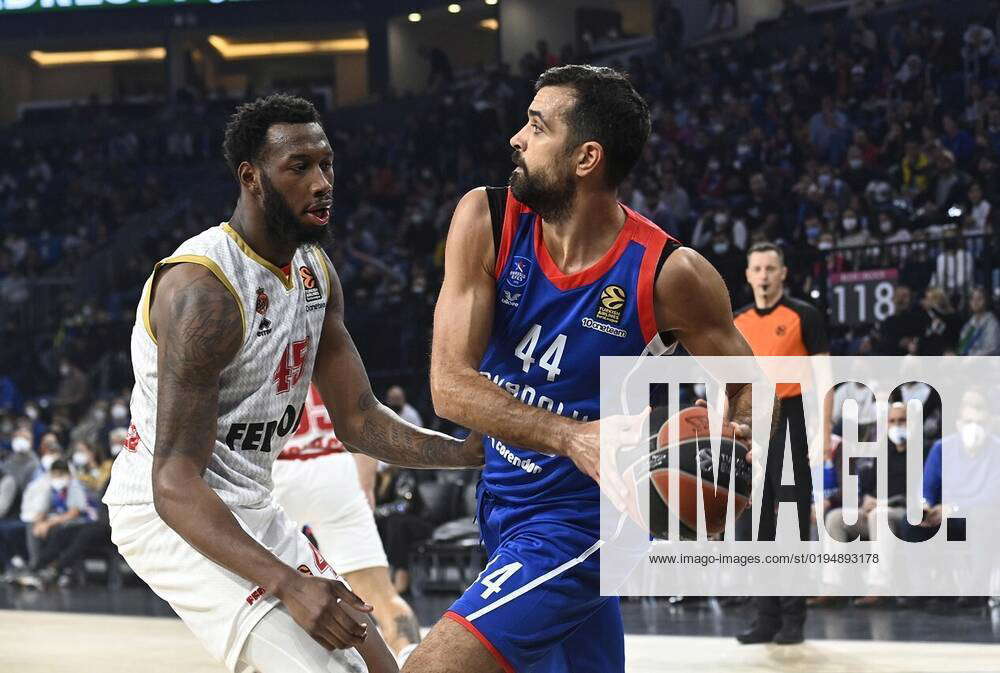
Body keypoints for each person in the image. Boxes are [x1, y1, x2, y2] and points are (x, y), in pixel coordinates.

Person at [102, 94, 483, 673]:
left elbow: (357, 421)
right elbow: (174, 482)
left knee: (370, 659)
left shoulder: (315, 273)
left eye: (327, 163)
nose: (323, 181)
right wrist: (288, 584)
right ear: (251, 178)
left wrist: (465, 454)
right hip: (170, 511)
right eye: (299, 167)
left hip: (251, 502)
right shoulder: (203, 291)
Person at [412, 64, 758, 673]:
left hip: (592, 517)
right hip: (502, 500)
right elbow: (449, 387)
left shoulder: (670, 273)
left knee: (436, 666)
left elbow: (747, 389)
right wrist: (571, 436)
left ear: (585, 157)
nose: (516, 138)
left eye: (537, 127)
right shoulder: (487, 219)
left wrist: (722, 467)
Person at [272, 382, 422, 660]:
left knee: (268, 595)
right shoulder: (323, 342)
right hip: (335, 470)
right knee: (382, 595)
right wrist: (365, 485)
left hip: (276, 467)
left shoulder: (252, 342)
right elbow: (362, 418)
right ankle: (411, 658)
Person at [733, 242, 831, 646]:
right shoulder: (736, 321)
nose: (764, 275)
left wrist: (823, 431)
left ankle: (793, 618)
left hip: (792, 418)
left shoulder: (804, 315)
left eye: (771, 268)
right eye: (757, 268)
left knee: (790, 523)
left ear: (783, 273)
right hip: (750, 423)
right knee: (753, 527)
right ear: (748, 274)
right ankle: (765, 618)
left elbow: (825, 377)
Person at [958, 286, 1000, 355]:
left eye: (979, 298)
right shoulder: (970, 323)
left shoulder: (992, 323)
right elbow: (963, 347)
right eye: (972, 299)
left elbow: (991, 350)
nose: (975, 302)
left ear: (986, 301)